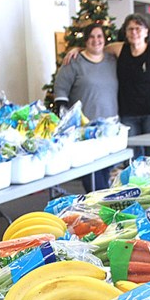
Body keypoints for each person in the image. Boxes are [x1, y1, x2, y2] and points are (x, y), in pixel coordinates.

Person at [64, 13, 150, 158]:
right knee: (133, 156)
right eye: (130, 29)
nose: (134, 32)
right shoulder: (118, 49)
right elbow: (96, 49)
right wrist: (77, 49)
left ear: (146, 31)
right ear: (126, 32)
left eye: (138, 28)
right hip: (128, 115)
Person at [52, 23, 119, 191]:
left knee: (106, 169)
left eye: (99, 36)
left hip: (109, 127)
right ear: (85, 40)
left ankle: (100, 205)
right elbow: (60, 88)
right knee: (92, 174)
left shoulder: (112, 61)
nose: (96, 40)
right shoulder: (74, 62)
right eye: (91, 37)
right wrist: (64, 117)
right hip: (85, 129)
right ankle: (98, 205)